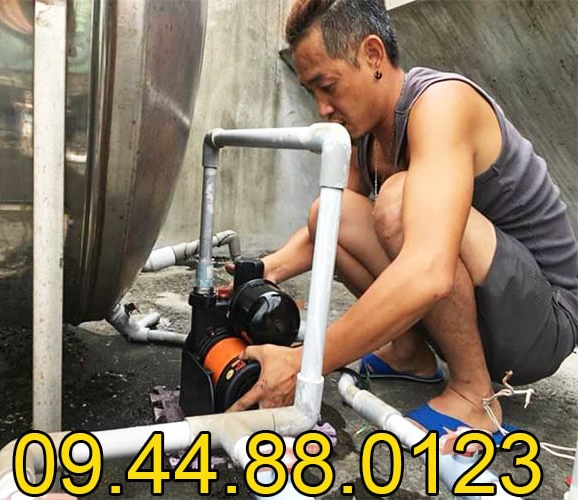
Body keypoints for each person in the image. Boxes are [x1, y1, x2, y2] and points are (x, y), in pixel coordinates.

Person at [227, 0, 578, 439]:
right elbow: (328, 229)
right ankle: (411, 353)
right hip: (490, 302)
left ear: (373, 55)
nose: (321, 108)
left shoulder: (441, 104)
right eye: (311, 91)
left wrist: (303, 363)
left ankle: (473, 394)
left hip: (543, 320)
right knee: (330, 214)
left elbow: (429, 270)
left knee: (397, 203)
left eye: (327, 86)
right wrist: (261, 273)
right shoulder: (365, 136)